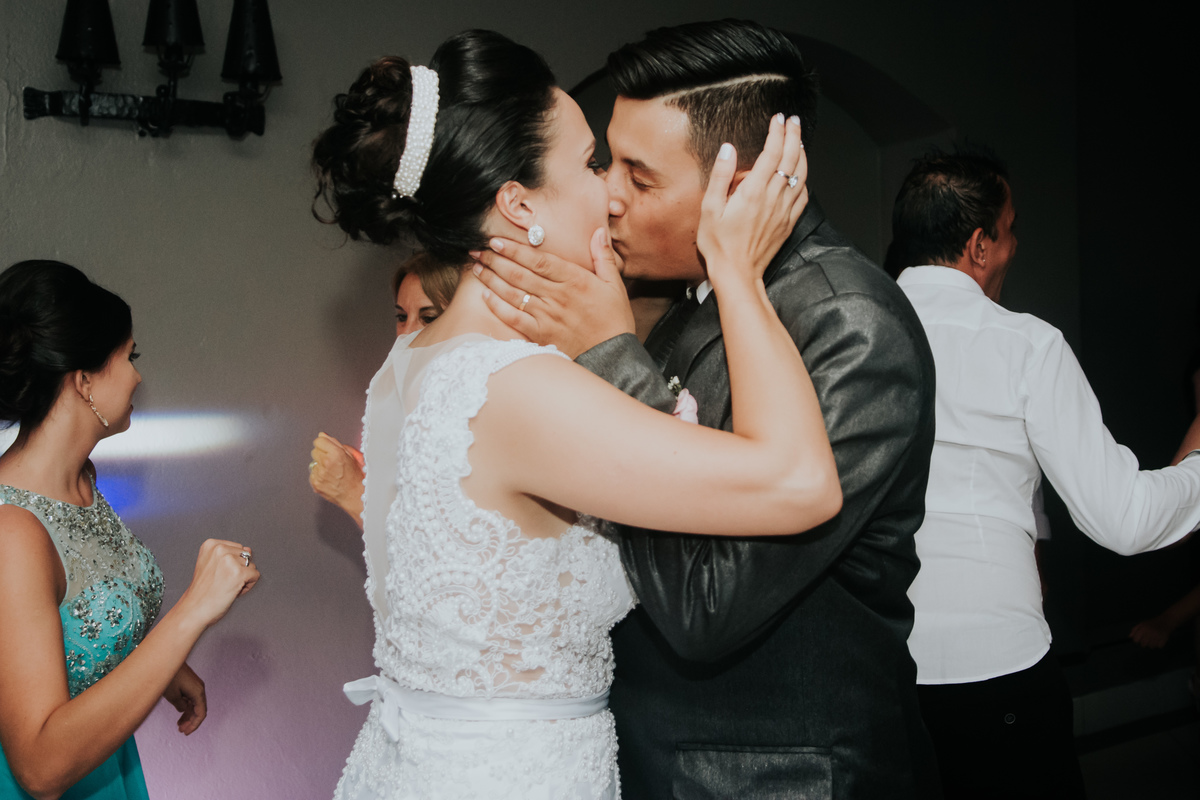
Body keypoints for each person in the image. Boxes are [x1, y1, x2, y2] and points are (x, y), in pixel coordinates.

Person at [312, 29, 839, 800]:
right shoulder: (512, 388)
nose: (612, 193)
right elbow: (800, 484)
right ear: (519, 204)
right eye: (592, 164)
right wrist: (737, 270)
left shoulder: (410, 361)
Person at [474, 19, 940, 800]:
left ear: (743, 186)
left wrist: (611, 354)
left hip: (778, 778)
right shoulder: (688, 303)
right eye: (606, 162)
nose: (608, 197)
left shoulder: (850, 325)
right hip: (662, 757)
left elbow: (707, 606)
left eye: (640, 177)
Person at [888, 148, 1200, 799]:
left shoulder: (839, 333)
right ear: (979, 245)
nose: (1015, 247)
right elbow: (1123, 518)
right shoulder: (1026, 344)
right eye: (1010, 230)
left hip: (878, 674)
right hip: (996, 670)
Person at [0, 261, 260, 800]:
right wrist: (192, 611)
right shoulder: (11, 533)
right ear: (84, 380)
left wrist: (160, 667)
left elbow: (78, 611)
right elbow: (41, 768)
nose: (138, 375)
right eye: (129, 357)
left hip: (105, 767)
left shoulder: (82, 480)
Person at [309, 253, 461, 524]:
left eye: (428, 318)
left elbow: (437, 547)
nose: (407, 334)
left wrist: (353, 493)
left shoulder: (481, 412)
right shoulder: (412, 405)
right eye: (402, 317)